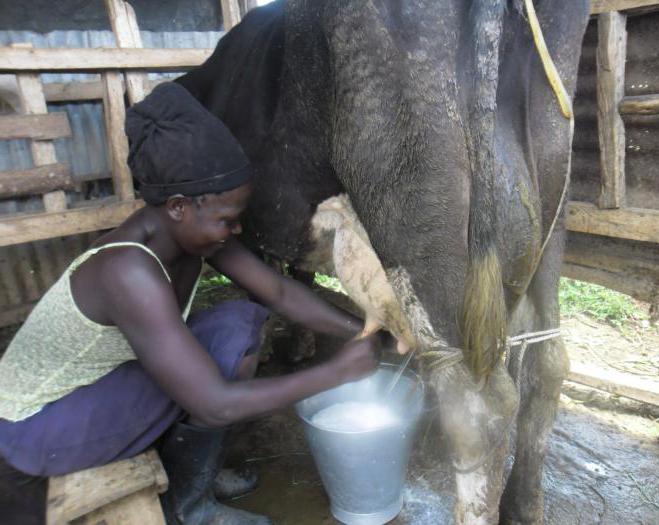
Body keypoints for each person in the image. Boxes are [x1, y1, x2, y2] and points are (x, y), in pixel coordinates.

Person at [0, 82, 380, 525]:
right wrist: (338, 372)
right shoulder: (126, 271)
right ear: (179, 207)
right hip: (30, 431)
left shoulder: (193, 236)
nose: (235, 231)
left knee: (239, 323)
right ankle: (189, 508)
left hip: (98, 386)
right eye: (227, 220)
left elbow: (277, 292)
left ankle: (190, 478)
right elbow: (214, 404)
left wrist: (367, 330)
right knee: (211, 385)